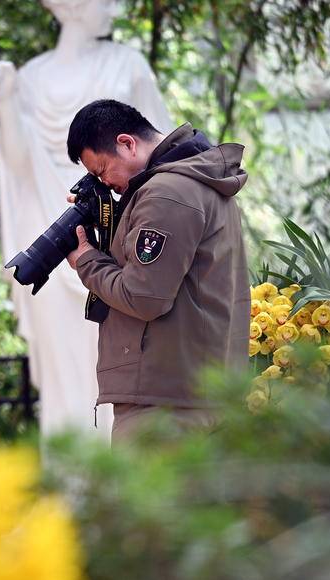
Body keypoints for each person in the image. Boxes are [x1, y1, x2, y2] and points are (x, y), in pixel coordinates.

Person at [0, 0, 171, 439]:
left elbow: (162, 151)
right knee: (64, 370)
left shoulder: (129, 65)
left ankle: (119, 481)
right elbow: (18, 163)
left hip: (119, 239)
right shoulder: (29, 78)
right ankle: (70, 487)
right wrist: (6, 102)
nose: (116, 7)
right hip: (52, 235)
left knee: (119, 357)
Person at [64, 99, 250, 439]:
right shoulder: (197, 182)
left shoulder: (167, 193)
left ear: (127, 144)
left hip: (162, 410)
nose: (103, 183)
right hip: (190, 396)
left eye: (101, 170)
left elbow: (144, 295)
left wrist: (87, 260)